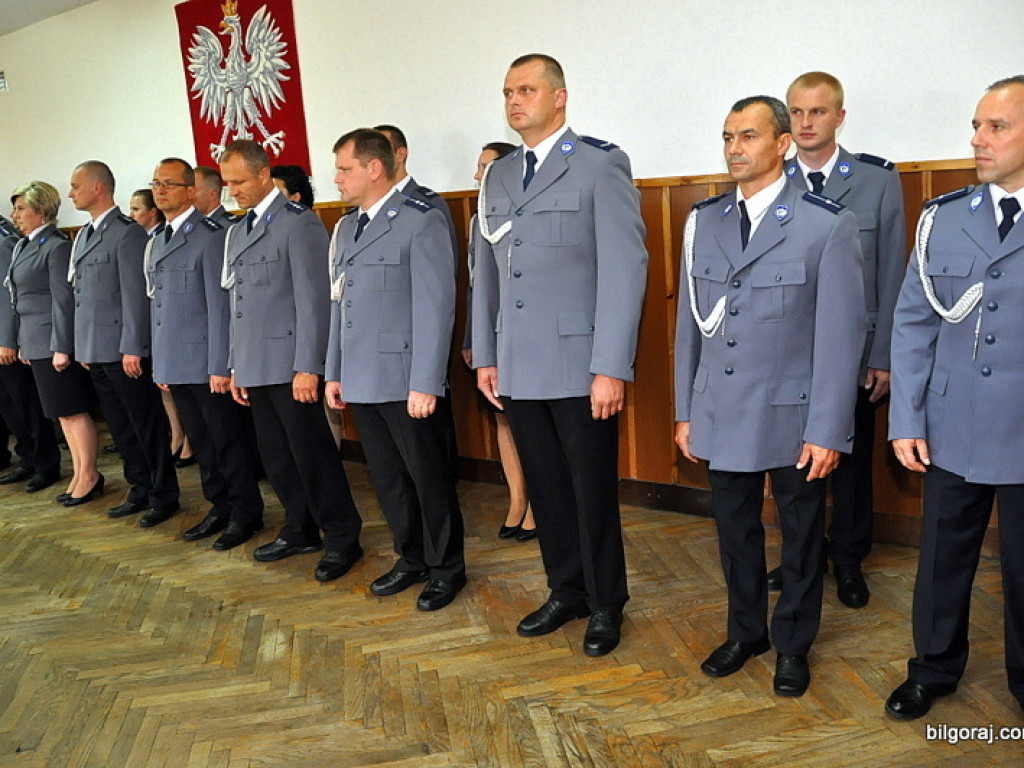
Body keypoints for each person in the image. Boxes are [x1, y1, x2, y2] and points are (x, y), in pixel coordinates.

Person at [674, 95, 865, 697]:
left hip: (794, 416)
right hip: (721, 410)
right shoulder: (704, 221)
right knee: (734, 533)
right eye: (728, 137)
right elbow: (690, 327)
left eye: (748, 136)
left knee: (802, 537)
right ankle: (746, 631)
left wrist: (828, 429)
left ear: (782, 143)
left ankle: (792, 644)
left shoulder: (825, 224)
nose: (735, 148)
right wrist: (685, 409)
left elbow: (840, 339)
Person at [472, 54, 648, 656]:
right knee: (545, 487)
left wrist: (610, 366)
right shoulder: (497, 177)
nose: (515, 100)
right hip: (519, 364)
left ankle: (605, 602)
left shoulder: (600, 164)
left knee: (590, 490)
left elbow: (625, 270)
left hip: (579, 364)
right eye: (507, 92)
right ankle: (565, 589)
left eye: (526, 89)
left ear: (560, 96)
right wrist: (486, 355)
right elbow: (487, 272)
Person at [885, 75, 1024, 720]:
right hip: (953, 422)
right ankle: (933, 669)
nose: (978, 139)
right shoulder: (942, 217)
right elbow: (914, 322)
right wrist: (907, 417)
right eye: (976, 125)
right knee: (941, 561)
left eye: (996, 127)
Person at [762, 72, 908, 608]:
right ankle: (799, 554)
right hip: (790, 353)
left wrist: (884, 355)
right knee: (790, 462)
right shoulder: (773, 178)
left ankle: (848, 558)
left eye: (817, 112)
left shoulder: (875, 180)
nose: (804, 122)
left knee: (850, 462)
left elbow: (893, 272)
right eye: (796, 112)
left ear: (839, 116)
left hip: (855, 353)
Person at [326, 128, 465, 610]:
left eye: (345, 168)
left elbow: (435, 307)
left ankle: (446, 567)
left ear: (374, 168)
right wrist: (334, 370)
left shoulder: (418, 220)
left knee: (427, 478)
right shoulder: (346, 228)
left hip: (406, 379)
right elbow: (339, 304)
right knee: (387, 479)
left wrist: (426, 381)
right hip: (362, 377)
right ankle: (411, 558)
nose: (337, 178)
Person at [219, 139, 363, 582]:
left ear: (264, 175)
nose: (233, 192)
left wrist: (309, 366)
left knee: (313, 455)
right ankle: (299, 528)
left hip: (290, 366)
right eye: (227, 184)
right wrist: (235, 365)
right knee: (277, 457)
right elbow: (238, 305)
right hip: (256, 365)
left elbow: (313, 302)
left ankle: (342, 536)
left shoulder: (298, 225)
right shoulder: (239, 229)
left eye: (239, 182)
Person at [146, 157, 264, 551]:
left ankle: (245, 512)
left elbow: (220, 307)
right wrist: (161, 362)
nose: (161, 190)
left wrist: (221, 365)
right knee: (201, 441)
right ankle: (220, 505)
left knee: (226, 441)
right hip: (177, 363)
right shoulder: (159, 238)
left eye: (170, 184)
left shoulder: (212, 235)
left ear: (191, 191)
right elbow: (160, 308)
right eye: (156, 184)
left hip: (206, 362)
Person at [67, 160, 179, 525]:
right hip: (96, 348)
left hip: (121, 348)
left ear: (98, 187)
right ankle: (140, 487)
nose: (71, 193)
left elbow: (134, 295)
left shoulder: (126, 233)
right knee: (121, 426)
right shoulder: (84, 234)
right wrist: (82, 347)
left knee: (144, 423)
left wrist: (133, 346)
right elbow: (84, 296)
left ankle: (163, 494)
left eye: (76, 185)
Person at [461, 141, 535, 541]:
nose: (478, 176)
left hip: (524, 338)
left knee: (530, 426)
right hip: (492, 338)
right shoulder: (478, 220)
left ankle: (538, 506)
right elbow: (479, 288)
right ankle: (517, 498)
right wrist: (475, 338)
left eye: (485, 167)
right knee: (503, 421)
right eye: (477, 167)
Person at [8, 182, 100, 503]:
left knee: (73, 411)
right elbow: (18, 298)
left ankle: (89, 474)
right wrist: (21, 342)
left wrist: (62, 346)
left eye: (21, 208)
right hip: (34, 342)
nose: (14, 215)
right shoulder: (24, 245)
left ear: (42, 210)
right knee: (61, 415)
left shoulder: (56, 246)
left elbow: (63, 301)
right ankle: (78, 472)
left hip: (53, 342)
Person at [0, 207, 62, 493]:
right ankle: (27, 458)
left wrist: (8, 339)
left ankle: (45, 462)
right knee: (9, 405)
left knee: (26, 404)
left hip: (9, 339)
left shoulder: (4, 241)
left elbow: (7, 297)